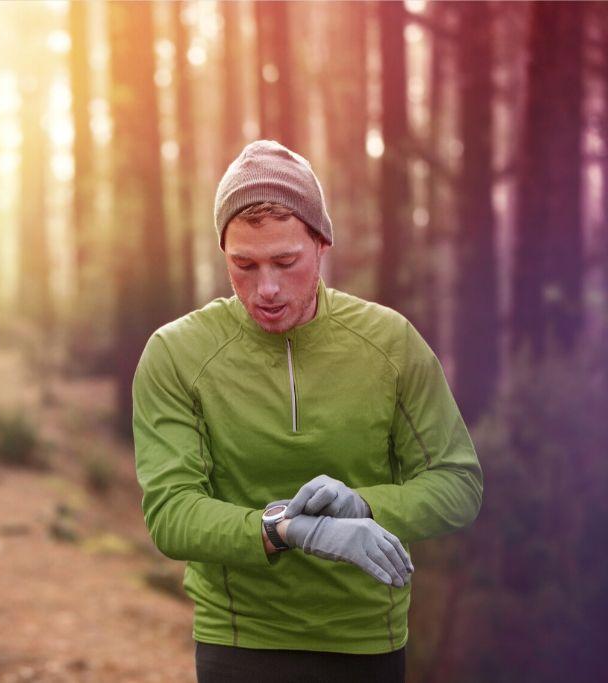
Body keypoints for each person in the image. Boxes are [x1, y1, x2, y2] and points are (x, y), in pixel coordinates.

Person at [131, 139, 483, 682]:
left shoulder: (390, 342)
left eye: (285, 262)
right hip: (239, 638)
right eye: (243, 265)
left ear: (322, 244)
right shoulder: (177, 352)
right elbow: (172, 513)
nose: (265, 289)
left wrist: (363, 506)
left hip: (366, 640)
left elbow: (459, 484)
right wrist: (288, 529)